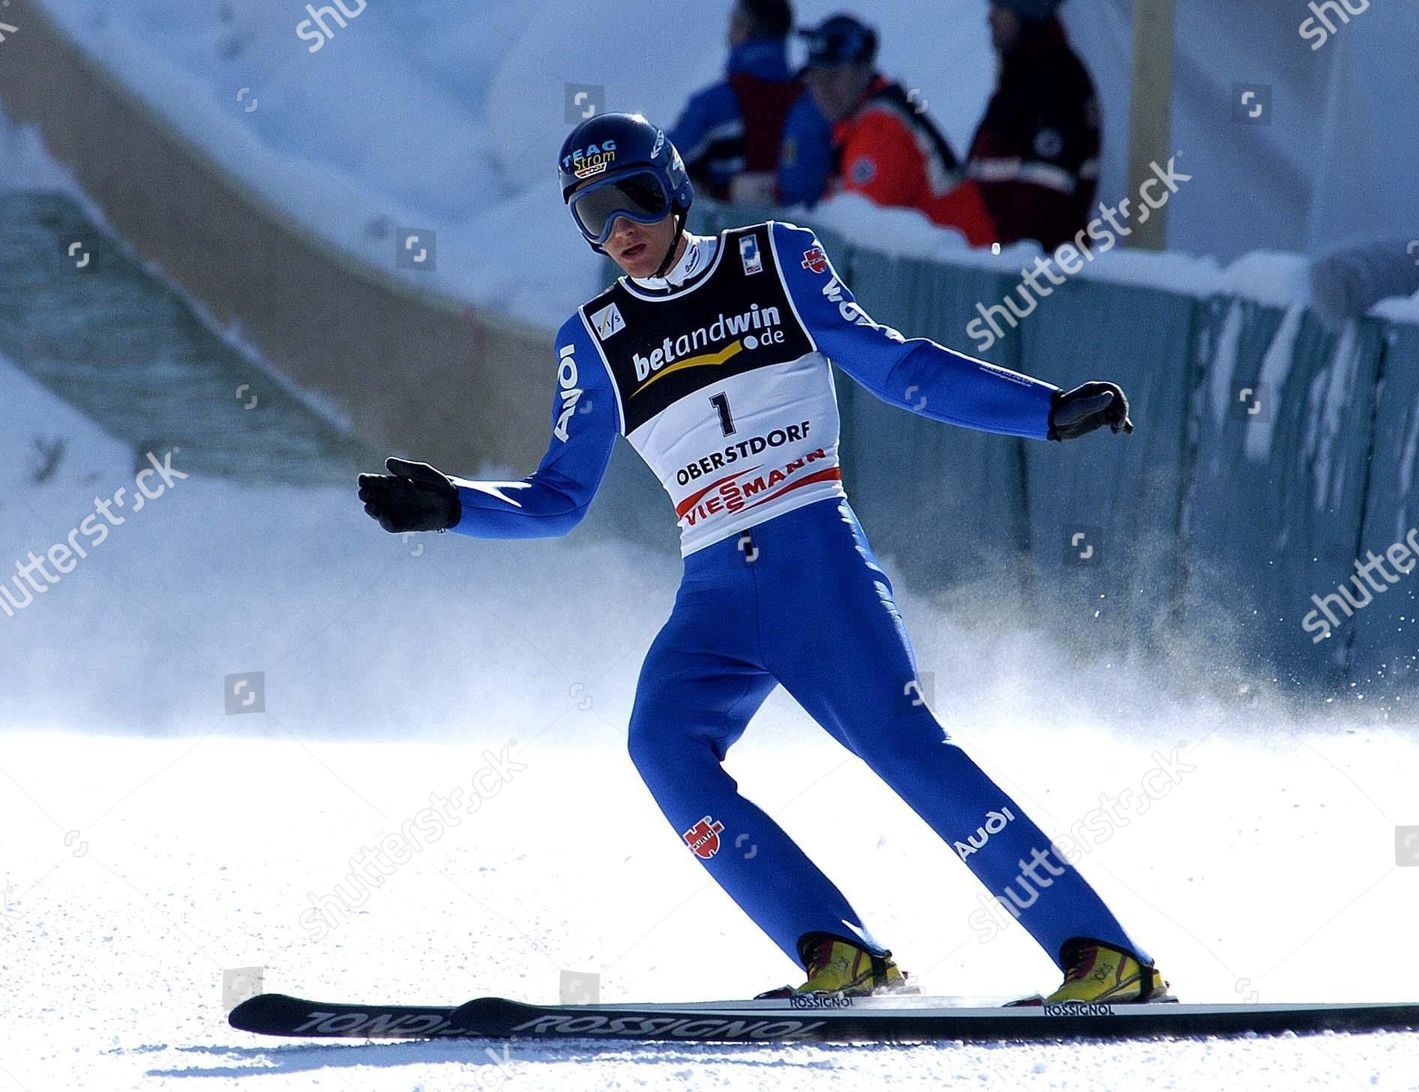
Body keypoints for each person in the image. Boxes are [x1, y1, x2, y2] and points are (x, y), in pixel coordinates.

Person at [358, 112, 1169, 1004]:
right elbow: (556, 501)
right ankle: (837, 949)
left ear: (674, 190)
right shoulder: (590, 341)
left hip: (811, 554)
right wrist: (456, 507)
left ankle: (1103, 954)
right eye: (593, 216)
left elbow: (899, 369)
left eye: (632, 199)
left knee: (904, 750)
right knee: (663, 746)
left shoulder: (774, 260)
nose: (619, 229)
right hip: (712, 586)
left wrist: (1043, 411)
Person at [798, 13, 995, 247]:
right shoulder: (861, 121)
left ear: (863, 70)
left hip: (958, 273)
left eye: (833, 77)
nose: (822, 89)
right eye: (815, 78)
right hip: (945, 271)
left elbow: (858, 232)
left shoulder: (880, 128)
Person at [967, 0, 1102, 250]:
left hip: (1032, 275)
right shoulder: (1021, 79)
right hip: (1006, 264)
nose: (989, 19)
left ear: (1026, 16)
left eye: (1000, 9)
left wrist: (1009, 266)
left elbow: (1044, 204)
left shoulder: (1056, 85)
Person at [670, 0, 830, 207]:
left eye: (732, 24)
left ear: (742, 31)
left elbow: (661, 164)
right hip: (809, 234)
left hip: (731, 231)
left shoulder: (713, 106)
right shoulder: (817, 104)